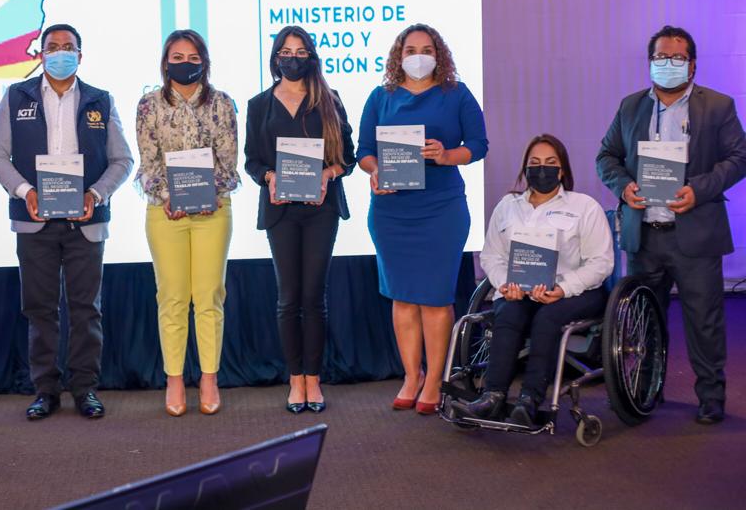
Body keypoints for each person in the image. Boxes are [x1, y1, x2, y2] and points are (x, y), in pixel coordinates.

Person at [596, 25, 746, 425]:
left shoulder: (718, 106)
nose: (668, 64)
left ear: (692, 65)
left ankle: (711, 396)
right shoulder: (631, 106)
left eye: (677, 58)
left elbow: (739, 158)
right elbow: (606, 157)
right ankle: (647, 388)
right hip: (645, 235)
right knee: (644, 317)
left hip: (695, 234)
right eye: (661, 57)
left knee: (705, 321)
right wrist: (624, 187)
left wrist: (699, 189)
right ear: (650, 63)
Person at [0, 23, 133, 421]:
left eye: (69, 47)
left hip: (85, 221)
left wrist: (95, 194)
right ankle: (45, 390)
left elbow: (122, 160)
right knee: (40, 309)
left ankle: (85, 389)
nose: (61, 53)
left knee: (86, 310)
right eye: (53, 47)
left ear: (80, 56)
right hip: (35, 220)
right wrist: (25, 192)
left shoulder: (100, 100)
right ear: (41, 54)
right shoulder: (16, 96)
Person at [357, 23, 487, 415]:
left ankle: (434, 380)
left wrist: (447, 155)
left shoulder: (456, 94)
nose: (418, 57)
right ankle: (411, 376)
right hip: (391, 212)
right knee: (402, 297)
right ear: (399, 56)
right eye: (410, 50)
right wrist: (375, 171)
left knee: (434, 298)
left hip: (441, 209)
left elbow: (478, 145)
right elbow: (364, 151)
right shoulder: (381, 97)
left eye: (426, 49)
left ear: (438, 54)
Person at [454, 134, 613, 424]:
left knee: (547, 317)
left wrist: (562, 288)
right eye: (534, 163)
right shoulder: (508, 206)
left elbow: (601, 263)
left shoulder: (584, 207)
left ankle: (529, 400)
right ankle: (492, 396)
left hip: (575, 292)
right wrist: (504, 284)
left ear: (561, 170)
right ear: (525, 169)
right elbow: (491, 256)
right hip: (520, 290)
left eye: (550, 163)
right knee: (508, 312)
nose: (542, 169)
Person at [244, 25, 355, 414]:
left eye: (301, 52)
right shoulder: (259, 105)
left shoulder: (330, 99)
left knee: (314, 297)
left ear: (311, 57)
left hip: (321, 209)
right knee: (288, 298)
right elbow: (251, 161)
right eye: (286, 52)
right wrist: (269, 177)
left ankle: (314, 379)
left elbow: (348, 158)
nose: (293, 58)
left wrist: (328, 174)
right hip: (281, 211)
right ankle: (295, 379)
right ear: (276, 58)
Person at [135, 29, 239, 416]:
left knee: (209, 295)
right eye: (177, 57)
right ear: (165, 63)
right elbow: (148, 164)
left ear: (204, 63)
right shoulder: (148, 105)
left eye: (193, 58)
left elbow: (229, 162)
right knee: (173, 297)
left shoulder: (222, 103)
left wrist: (209, 193)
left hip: (214, 211)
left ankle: (209, 378)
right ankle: (175, 379)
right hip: (165, 213)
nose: (185, 64)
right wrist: (169, 196)